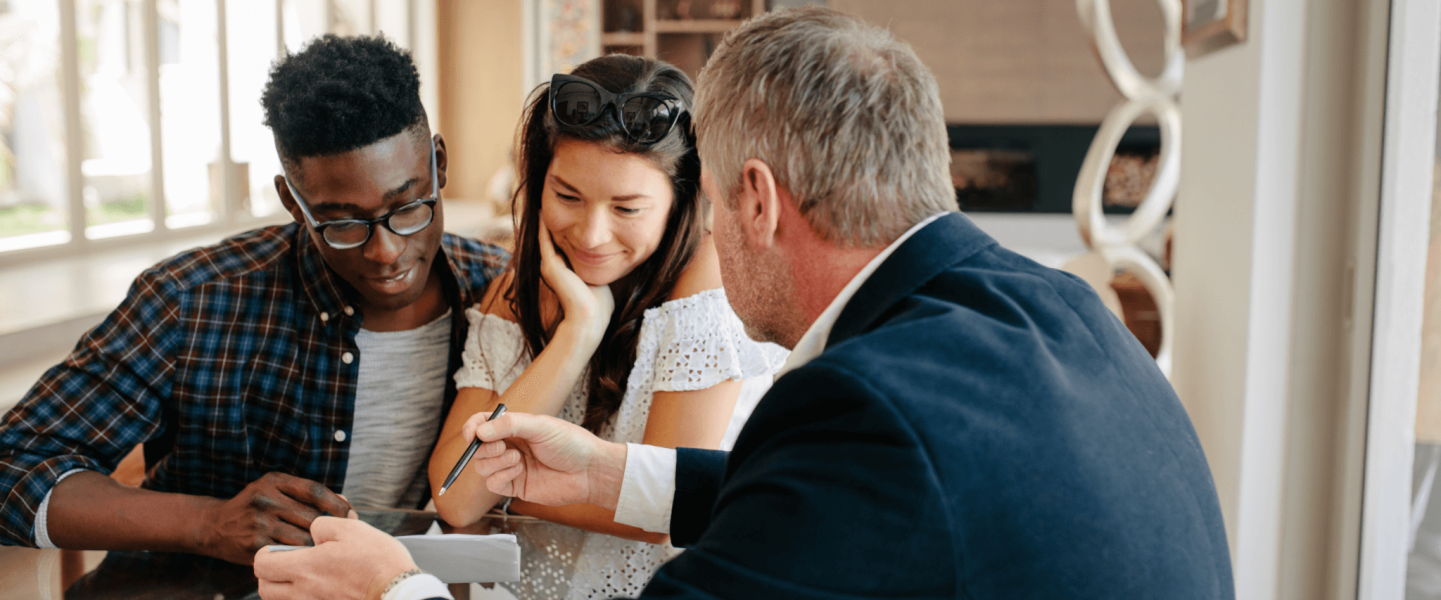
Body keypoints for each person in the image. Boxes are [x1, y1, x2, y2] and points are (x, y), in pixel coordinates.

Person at [253, 7, 1235, 600]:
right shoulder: (1054, 307)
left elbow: (855, 469)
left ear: (754, 200)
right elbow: (848, 497)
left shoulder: (868, 403)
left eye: (712, 204)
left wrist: (394, 588)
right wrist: (606, 473)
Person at [0, 34, 506, 565]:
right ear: (292, 202)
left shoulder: (500, 295)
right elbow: (12, 467)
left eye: (408, 207)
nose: (386, 251)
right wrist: (207, 523)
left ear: (439, 163)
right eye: (342, 224)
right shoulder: (193, 300)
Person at [427, 54, 785, 600]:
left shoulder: (707, 284)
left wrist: (501, 491)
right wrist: (577, 335)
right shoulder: (515, 291)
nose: (592, 235)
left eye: (627, 208)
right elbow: (456, 498)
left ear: (679, 201)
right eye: (567, 196)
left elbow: (660, 509)